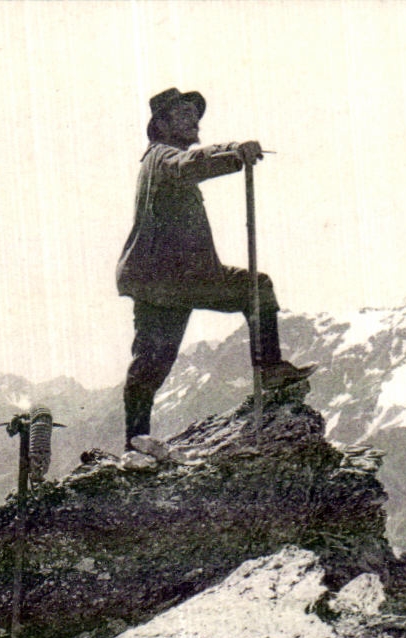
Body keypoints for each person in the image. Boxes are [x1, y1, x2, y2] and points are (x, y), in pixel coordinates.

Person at [116, 87, 313, 451]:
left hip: (166, 279)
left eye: (196, 114)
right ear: (161, 123)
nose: (195, 120)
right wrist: (233, 153)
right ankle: (268, 368)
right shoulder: (162, 157)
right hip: (174, 278)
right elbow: (191, 163)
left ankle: (135, 442)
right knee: (254, 288)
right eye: (184, 113)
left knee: (151, 361)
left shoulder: (157, 161)